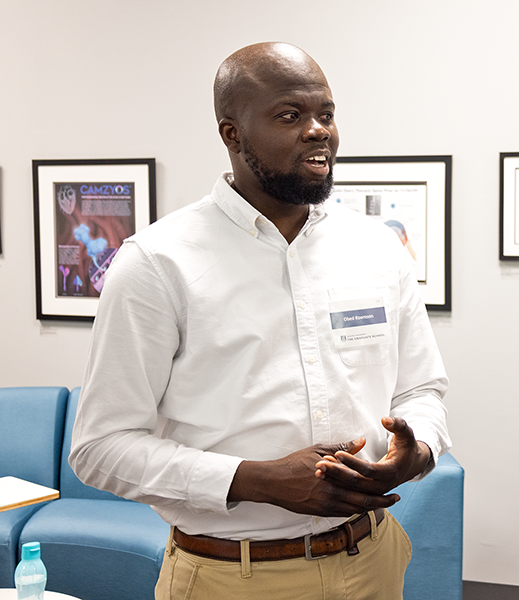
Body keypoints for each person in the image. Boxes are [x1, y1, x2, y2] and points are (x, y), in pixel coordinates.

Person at [69, 42, 450, 600]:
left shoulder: (378, 249)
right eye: (291, 116)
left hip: (371, 560)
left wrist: (415, 454)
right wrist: (255, 480)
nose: (319, 130)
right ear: (232, 134)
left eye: (327, 113)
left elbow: (422, 388)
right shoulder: (157, 262)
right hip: (230, 576)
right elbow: (100, 447)